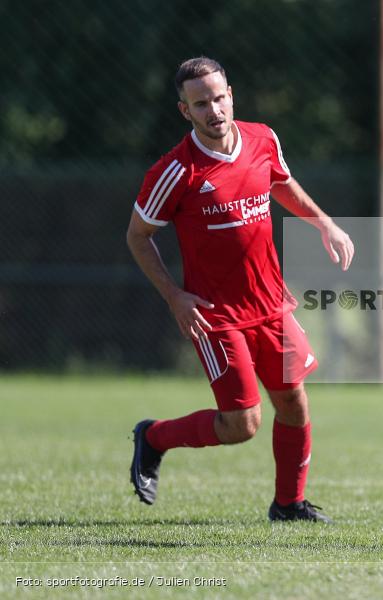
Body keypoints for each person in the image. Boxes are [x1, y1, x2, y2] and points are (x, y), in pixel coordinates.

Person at [126, 57, 353, 522]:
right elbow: (137, 236)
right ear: (184, 111)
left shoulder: (262, 138)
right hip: (216, 314)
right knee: (242, 424)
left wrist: (324, 224)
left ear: (231, 94)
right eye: (201, 103)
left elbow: (282, 183)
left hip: (271, 302)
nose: (214, 110)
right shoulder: (176, 171)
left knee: (293, 398)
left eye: (219, 97)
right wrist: (175, 295)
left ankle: (289, 504)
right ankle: (153, 437)